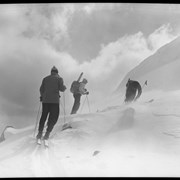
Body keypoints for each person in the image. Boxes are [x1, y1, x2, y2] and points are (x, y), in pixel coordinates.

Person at [36, 66, 66, 140]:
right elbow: (62, 89)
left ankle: (39, 133)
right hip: (54, 101)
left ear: (51, 72)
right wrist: (64, 87)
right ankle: (47, 134)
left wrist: (42, 96)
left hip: (45, 101)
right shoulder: (59, 79)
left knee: (44, 116)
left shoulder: (45, 79)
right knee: (53, 117)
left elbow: (41, 89)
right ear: (57, 72)